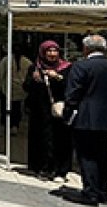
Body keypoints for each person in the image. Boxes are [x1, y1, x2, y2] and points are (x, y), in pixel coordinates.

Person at [62, 35, 107, 206]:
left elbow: (72, 94)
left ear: (86, 49)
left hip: (86, 116)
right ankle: (102, 191)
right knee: (103, 154)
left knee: (87, 155)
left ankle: (90, 192)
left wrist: (67, 113)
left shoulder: (81, 66)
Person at [24, 40, 74, 182]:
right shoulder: (35, 67)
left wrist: (57, 77)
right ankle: (42, 167)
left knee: (60, 140)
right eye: (49, 51)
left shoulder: (66, 68)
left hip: (59, 110)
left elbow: (70, 86)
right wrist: (34, 80)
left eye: (55, 51)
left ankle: (60, 170)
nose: (52, 54)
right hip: (40, 111)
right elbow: (26, 88)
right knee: (42, 139)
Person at [0, 49, 33, 134]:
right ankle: (15, 126)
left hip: (8, 87)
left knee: (6, 107)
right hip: (19, 89)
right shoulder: (27, 62)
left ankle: (8, 125)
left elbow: (1, 73)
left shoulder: (6, 60)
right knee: (17, 108)